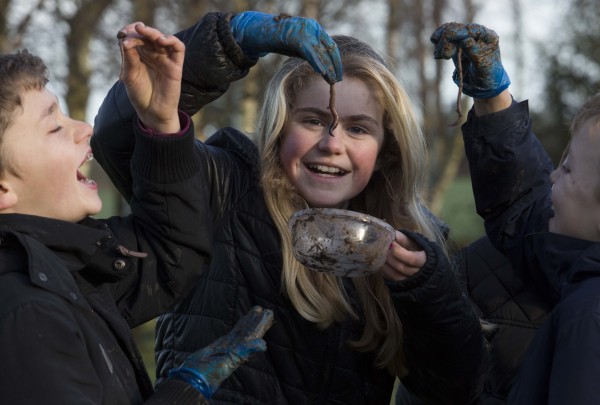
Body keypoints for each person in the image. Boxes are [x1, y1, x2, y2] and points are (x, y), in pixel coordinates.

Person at [92, 11, 488, 404]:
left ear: (386, 152)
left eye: (357, 128)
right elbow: (123, 136)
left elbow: (455, 389)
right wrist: (230, 42)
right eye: (314, 120)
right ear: (280, 129)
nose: (333, 143)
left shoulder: (405, 245)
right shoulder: (223, 188)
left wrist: (430, 294)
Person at [0, 22, 274, 404]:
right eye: (53, 128)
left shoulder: (62, 267)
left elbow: (168, 257)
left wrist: (161, 122)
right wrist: (184, 391)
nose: (82, 129)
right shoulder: (24, 314)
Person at [431, 22, 600, 404]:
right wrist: (494, 104)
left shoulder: (587, 318)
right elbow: (532, 216)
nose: (554, 176)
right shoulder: (576, 254)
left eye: (569, 169)